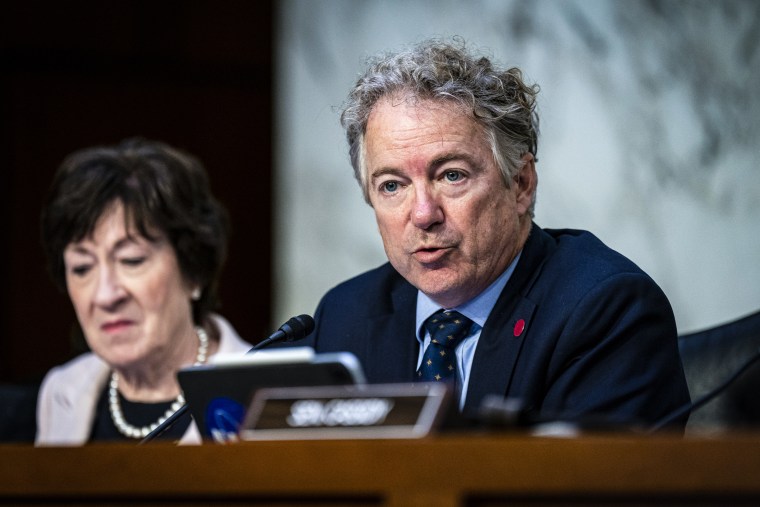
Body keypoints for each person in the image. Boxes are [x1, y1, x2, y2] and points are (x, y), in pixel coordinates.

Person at [301, 38, 691, 430]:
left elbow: (589, 486)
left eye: (452, 175)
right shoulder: (344, 316)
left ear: (521, 184)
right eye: (391, 185)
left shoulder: (604, 311)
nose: (423, 214)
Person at [36, 137, 251, 445]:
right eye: (82, 268)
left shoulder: (259, 393)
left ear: (194, 272)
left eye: (131, 260)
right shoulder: (62, 391)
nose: (105, 295)